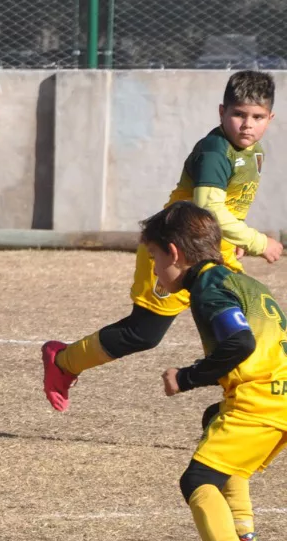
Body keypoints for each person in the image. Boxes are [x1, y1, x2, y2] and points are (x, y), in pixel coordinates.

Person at [43, 71, 281, 412]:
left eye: (257, 117)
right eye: (238, 114)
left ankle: (244, 404)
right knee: (144, 333)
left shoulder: (253, 151)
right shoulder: (216, 152)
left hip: (208, 249)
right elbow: (209, 207)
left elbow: (228, 206)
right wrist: (258, 241)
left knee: (250, 321)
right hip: (175, 251)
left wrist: (234, 236)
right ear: (221, 112)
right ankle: (62, 361)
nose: (247, 124)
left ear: (269, 118)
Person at [138, 202, 285, 541]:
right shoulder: (245, 282)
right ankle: (241, 535)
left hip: (260, 401)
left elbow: (239, 342)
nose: (154, 269)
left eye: (153, 257)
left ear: (174, 253)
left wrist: (185, 377)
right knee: (213, 421)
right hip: (278, 395)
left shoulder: (209, 288)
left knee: (197, 478)